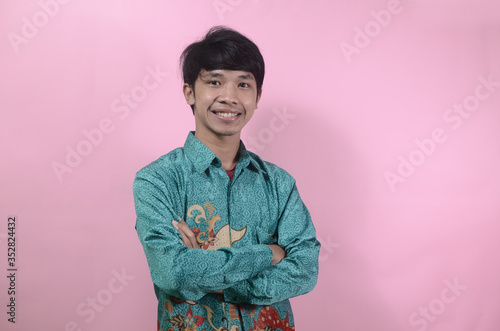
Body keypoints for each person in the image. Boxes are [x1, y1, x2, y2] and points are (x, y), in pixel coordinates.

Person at [133, 26, 320, 331]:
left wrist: (208, 275)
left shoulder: (279, 184)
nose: (229, 97)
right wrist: (270, 253)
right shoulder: (157, 181)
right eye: (215, 81)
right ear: (190, 92)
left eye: (243, 84)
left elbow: (305, 270)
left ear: (257, 97)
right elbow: (174, 273)